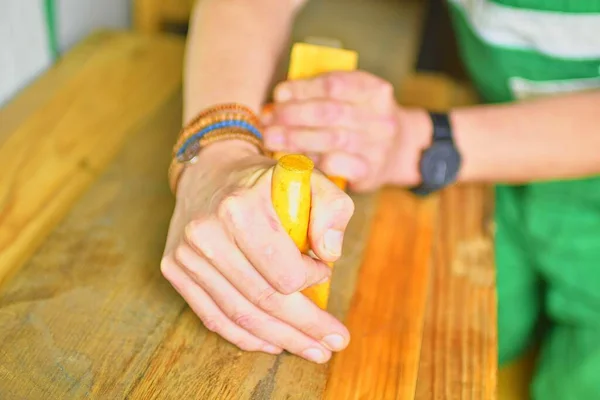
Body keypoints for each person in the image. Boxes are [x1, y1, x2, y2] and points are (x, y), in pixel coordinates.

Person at [161, 0, 600, 397]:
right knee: (420, 353)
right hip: (495, 157)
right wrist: (216, 151)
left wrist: (420, 143)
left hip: (508, 154)